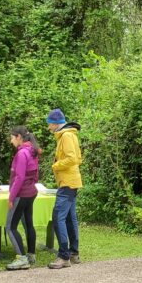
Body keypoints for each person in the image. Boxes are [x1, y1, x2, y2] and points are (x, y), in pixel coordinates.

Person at [46, 109, 82, 270]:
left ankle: (63, 256)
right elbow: (78, 158)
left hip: (67, 182)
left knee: (57, 217)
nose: (48, 128)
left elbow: (72, 159)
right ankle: (74, 253)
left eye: (49, 124)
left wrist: (55, 165)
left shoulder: (66, 136)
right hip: (71, 181)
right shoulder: (69, 135)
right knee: (69, 218)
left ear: (55, 123)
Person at [5, 126, 41, 271]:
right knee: (28, 224)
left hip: (22, 194)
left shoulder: (22, 154)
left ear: (19, 137)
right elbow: (35, 174)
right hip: (31, 192)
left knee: (10, 227)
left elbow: (19, 178)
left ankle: (21, 258)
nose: (11, 140)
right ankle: (31, 255)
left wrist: (11, 197)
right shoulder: (33, 151)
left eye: (12, 137)